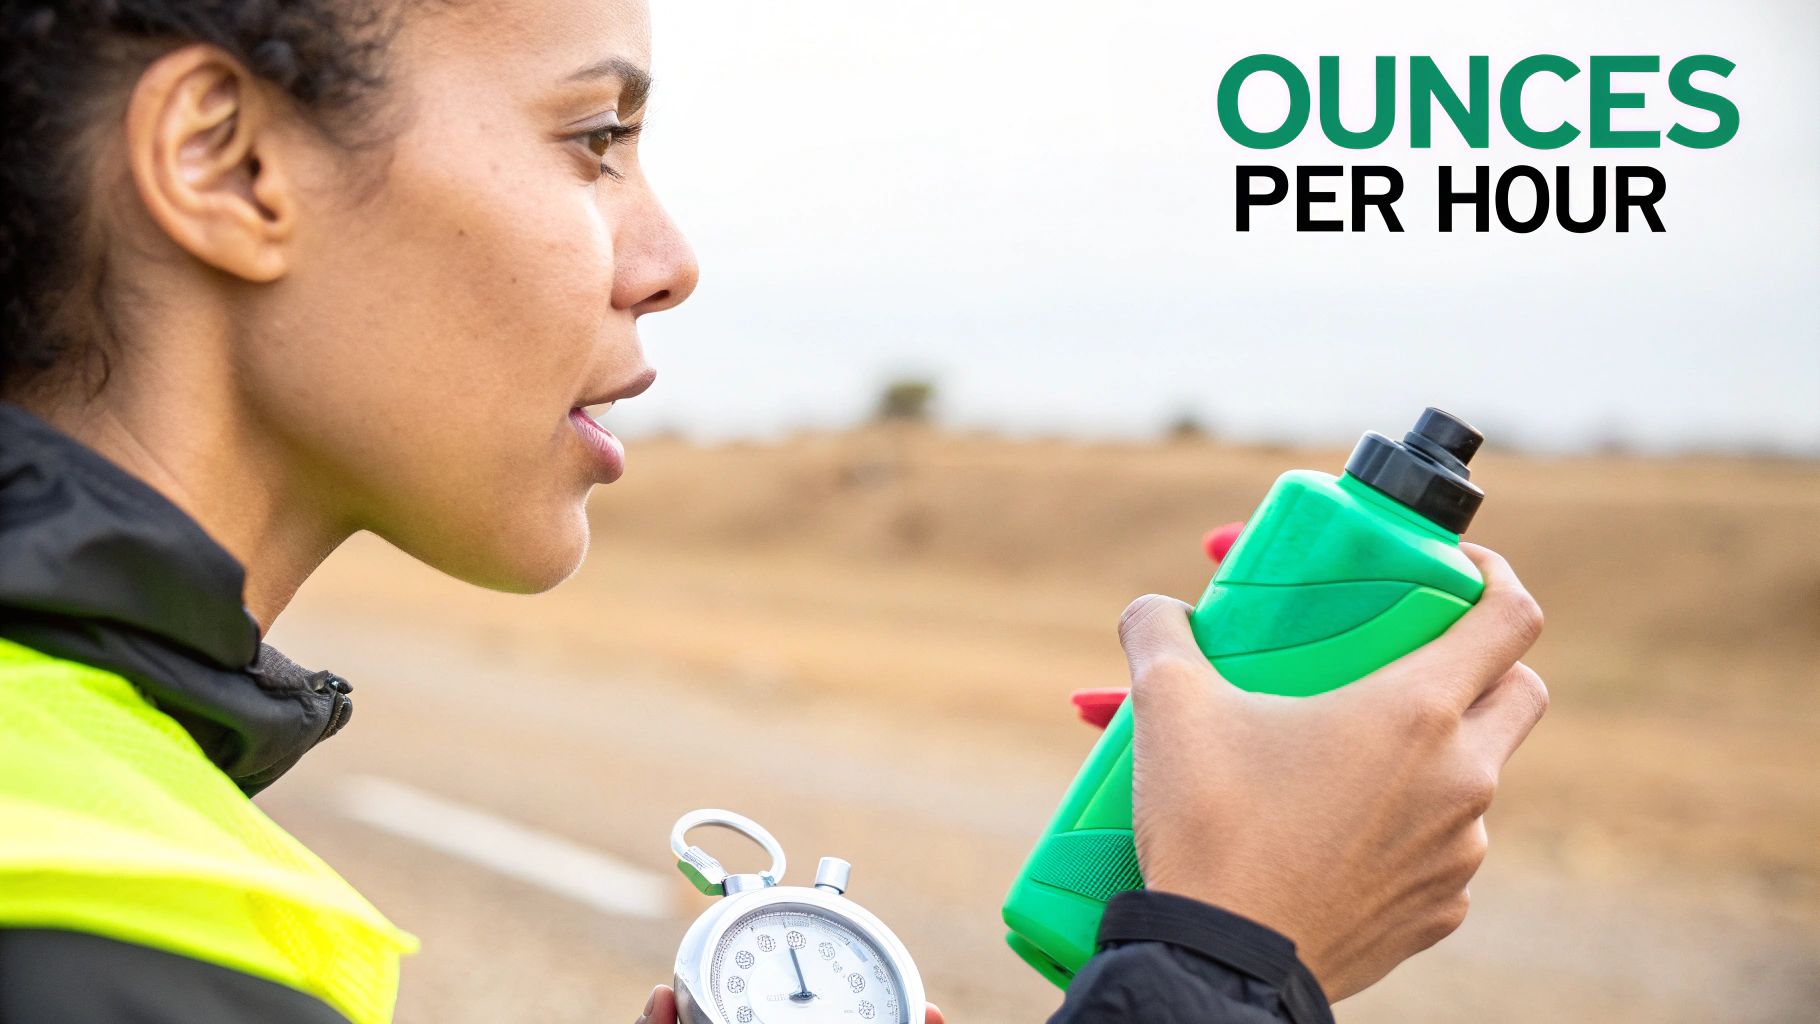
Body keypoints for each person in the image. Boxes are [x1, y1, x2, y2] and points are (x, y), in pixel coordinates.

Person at [0, 2, 1548, 1023]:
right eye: (593, 139)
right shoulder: (94, 942)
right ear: (227, 162)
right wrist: (1228, 959)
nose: (668, 255)